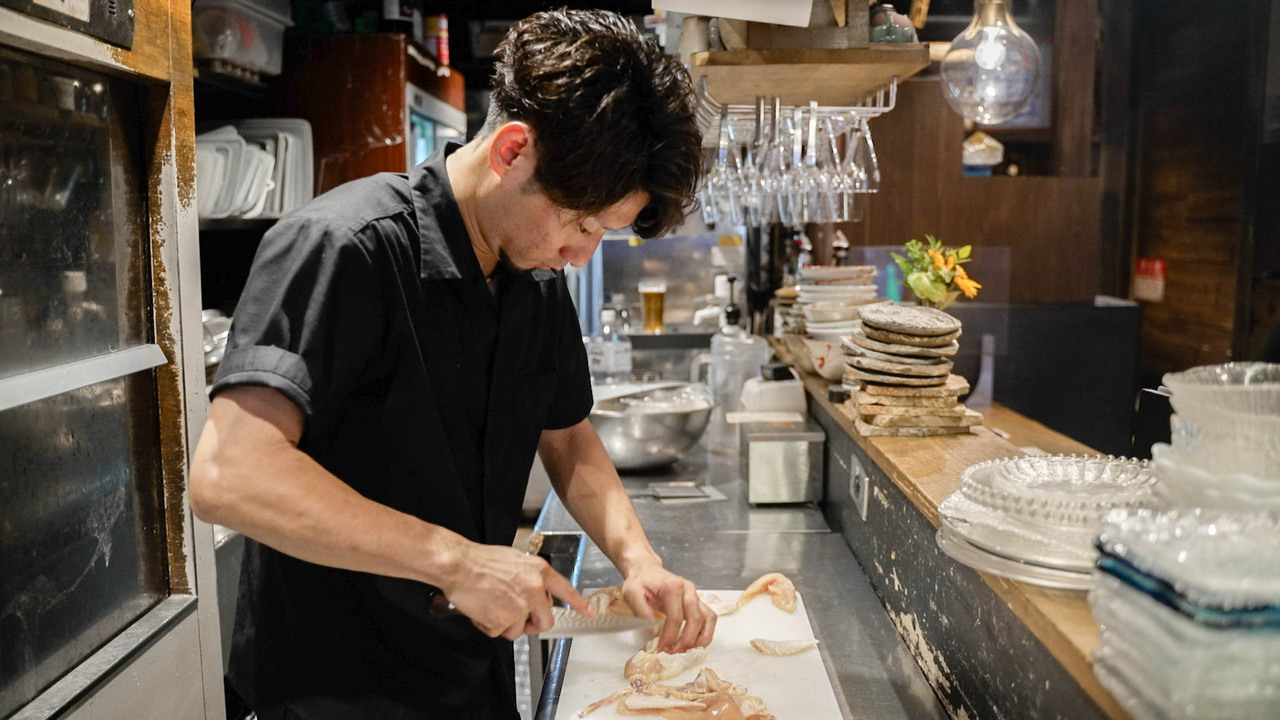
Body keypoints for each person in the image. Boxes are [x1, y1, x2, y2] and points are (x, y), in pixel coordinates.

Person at [189, 9, 712, 719]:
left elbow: (568, 437)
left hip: (472, 681)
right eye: (580, 223)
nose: (581, 254)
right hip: (336, 691)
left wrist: (639, 562)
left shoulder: (536, 280)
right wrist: (457, 561)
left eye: (604, 235)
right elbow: (231, 475)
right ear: (511, 151)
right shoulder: (346, 247)